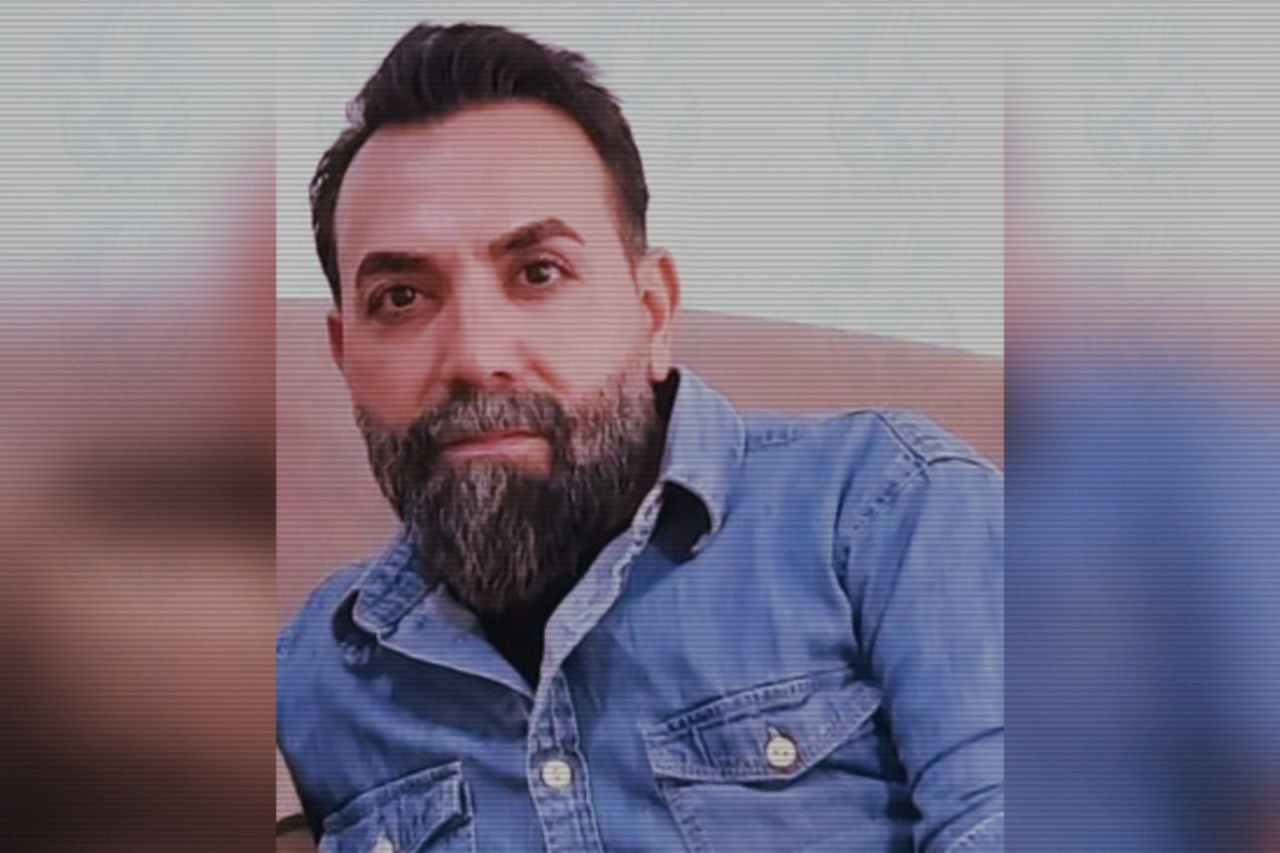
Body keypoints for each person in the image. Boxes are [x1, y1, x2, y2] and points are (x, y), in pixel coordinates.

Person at [276, 21, 1003, 853]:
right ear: (345, 356)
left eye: (538, 273)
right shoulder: (310, 677)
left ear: (652, 313)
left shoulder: (890, 510)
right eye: (402, 298)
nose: (475, 356)